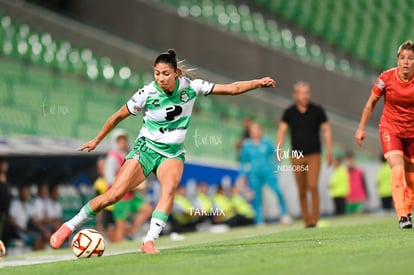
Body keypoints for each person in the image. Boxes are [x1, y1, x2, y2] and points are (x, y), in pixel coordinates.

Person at [50, 49, 276, 253]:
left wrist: (257, 83)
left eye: (165, 73)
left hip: (173, 153)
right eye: (157, 73)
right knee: (114, 195)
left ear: (176, 73)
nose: (160, 78)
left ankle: (149, 240)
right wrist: (97, 139)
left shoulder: (191, 86)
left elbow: (232, 89)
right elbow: (118, 116)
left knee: (168, 190)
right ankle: (68, 226)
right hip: (146, 149)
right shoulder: (146, 93)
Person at [355, 40, 414, 229]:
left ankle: (408, 210)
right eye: (403, 58)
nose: (406, 62)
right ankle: (402, 216)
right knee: (397, 169)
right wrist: (361, 128)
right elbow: (370, 103)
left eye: (411, 58)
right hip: (391, 129)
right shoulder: (386, 78)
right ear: (397, 60)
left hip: (412, 133)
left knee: (412, 180)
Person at [276, 81, 333, 227]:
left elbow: (326, 130)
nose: (305, 96)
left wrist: (329, 151)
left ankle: (314, 218)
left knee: (313, 185)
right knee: (301, 189)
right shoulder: (289, 112)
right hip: (296, 156)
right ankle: (306, 219)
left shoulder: (317, 110)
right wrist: (279, 150)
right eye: (302, 93)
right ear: (295, 95)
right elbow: (282, 131)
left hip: (314, 154)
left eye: (307, 92)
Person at [104, 129, 153, 242]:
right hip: (120, 197)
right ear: (115, 142)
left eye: (124, 140)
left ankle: (132, 230)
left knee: (147, 209)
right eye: (120, 140)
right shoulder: (113, 157)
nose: (123, 142)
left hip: (130, 194)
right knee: (119, 231)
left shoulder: (128, 154)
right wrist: (129, 185)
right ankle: (116, 252)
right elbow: (110, 179)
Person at [240, 122, 291, 224]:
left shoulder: (266, 142)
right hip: (255, 175)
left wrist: (276, 167)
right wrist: (242, 176)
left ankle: (284, 215)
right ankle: (259, 221)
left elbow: (276, 154)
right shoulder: (247, 146)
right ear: (250, 133)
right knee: (258, 198)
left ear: (261, 131)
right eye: (253, 130)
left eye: (257, 130)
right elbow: (243, 162)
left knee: (278, 192)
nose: (255, 132)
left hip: (268, 174)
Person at [8, 185, 45, 250]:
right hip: (18, 232)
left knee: (41, 237)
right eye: (24, 192)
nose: (25, 194)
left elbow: (35, 220)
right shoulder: (15, 204)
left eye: (26, 193)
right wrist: (23, 229)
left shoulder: (28, 205)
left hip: (27, 232)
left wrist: (44, 230)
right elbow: (11, 220)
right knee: (37, 239)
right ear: (20, 193)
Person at [93, 157, 116, 241]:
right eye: (100, 167)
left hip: (119, 208)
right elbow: (98, 204)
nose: (102, 168)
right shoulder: (98, 184)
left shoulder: (115, 178)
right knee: (111, 234)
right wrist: (99, 223)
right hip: (108, 211)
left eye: (104, 166)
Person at [0, 157, 10, 245]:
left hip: (5, 213)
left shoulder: (6, 179)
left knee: (4, 236)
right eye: (4, 164)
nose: (6, 166)